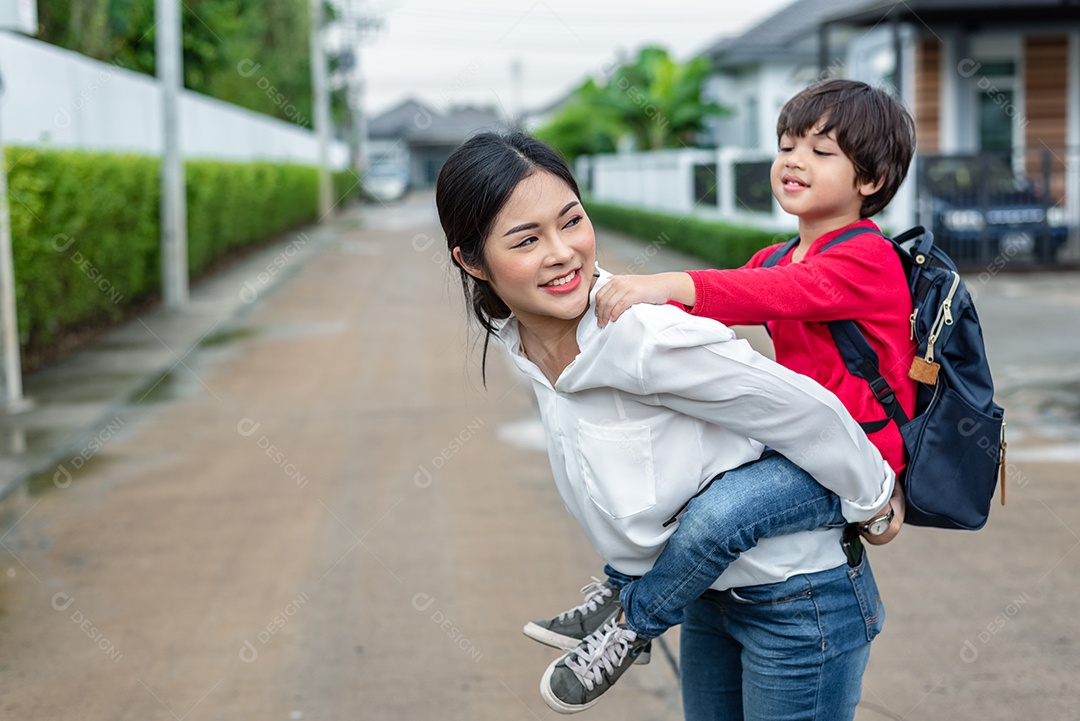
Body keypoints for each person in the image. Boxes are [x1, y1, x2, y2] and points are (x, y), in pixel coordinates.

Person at [435, 129, 894, 720]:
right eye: (527, 240)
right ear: (472, 261)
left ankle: (632, 617)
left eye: (571, 221)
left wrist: (875, 501)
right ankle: (626, 599)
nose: (562, 252)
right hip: (707, 600)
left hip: (798, 601)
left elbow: (808, 411)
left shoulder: (646, 338)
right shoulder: (524, 343)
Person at [533, 77, 918, 714]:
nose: (793, 160)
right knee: (686, 493)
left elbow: (760, 297)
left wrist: (670, 282)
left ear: (870, 180)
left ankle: (635, 622)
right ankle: (621, 584)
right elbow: (710, 320)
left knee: (720, 517)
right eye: (787, 144)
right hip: (797, 448)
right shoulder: (780, 255)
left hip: (860, 448)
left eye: (822, 152)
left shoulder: (866, 258)